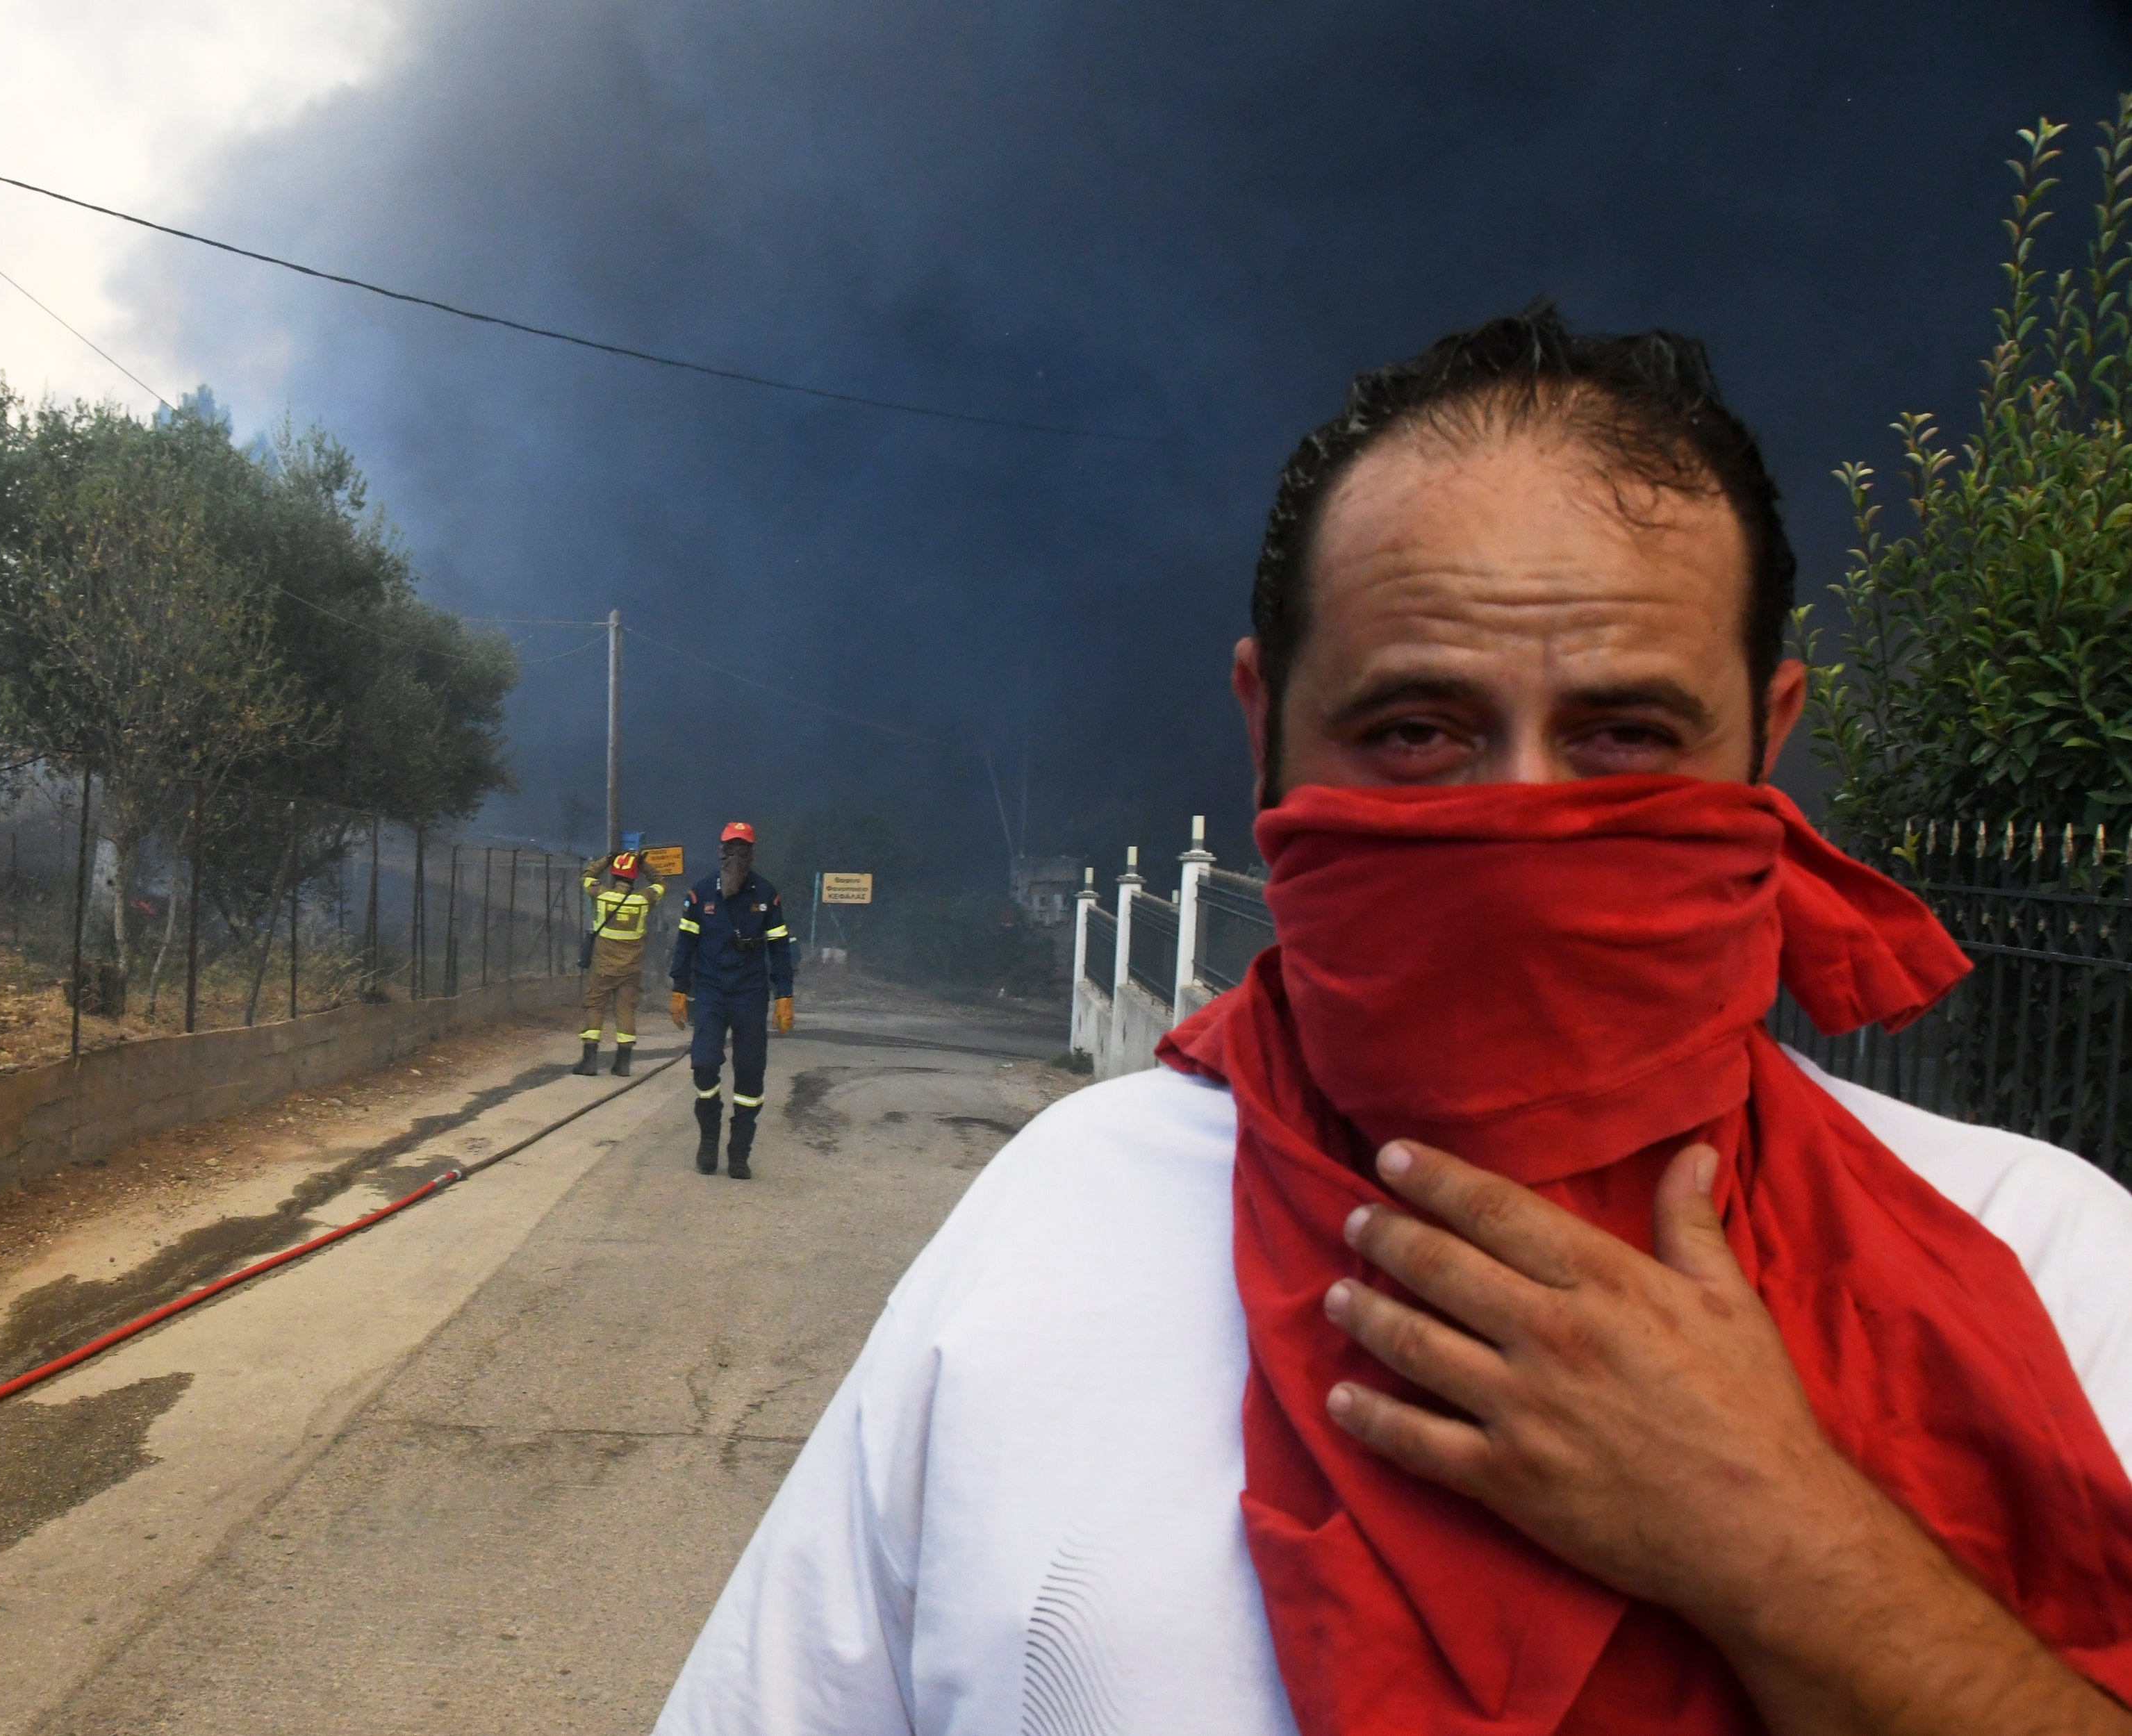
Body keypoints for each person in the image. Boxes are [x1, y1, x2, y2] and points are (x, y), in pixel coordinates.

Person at [656, 308, 2132, 1735]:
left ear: (1770, 733)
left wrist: (1782, 1547)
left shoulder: (2043, 1262)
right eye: (1415, 731)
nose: (1518, 825)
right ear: (1261, 729)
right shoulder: (1054, 1220)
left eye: (1622, 734)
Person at [670, 820, 797, 1180]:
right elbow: (685, 945)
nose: (736, 855)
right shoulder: (699, 895)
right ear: (720, 851)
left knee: (750, 1072)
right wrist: (679, 988)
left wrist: (784, 994)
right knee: (705, 1065)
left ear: (752, 854)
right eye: (731, 848)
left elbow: (779, 948)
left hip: (750, 994)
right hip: (709, 992)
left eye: (744, 849)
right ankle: (708, 1140)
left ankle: (739, 1153)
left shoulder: (766, 895)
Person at [575, 849, 666, 1076]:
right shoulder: (643, 901)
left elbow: (586, 876)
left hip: (603, 968)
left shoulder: (602, 896)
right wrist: (644, 864)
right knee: (626, 1010)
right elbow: (660, 883)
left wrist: (605, 859)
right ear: (635, 878)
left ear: (614, 876)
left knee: (595, 1007)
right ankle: (623, 1064)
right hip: (630, 970)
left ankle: (590, 1062)